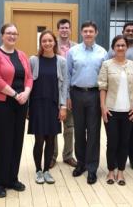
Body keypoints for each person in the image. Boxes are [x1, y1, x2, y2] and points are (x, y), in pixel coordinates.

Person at [0, 23, 33, 198]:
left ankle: (12, 178)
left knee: (16, 141)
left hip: (20, 103)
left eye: (14, 33)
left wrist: (26, 93)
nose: (12, 36)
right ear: (2, 35)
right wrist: (15, 94)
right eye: (8, 33)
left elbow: (29, 77)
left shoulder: (22, 55)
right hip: (0, 103)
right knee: (1, 143)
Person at [67, 21, 107, 185]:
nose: (88, 34)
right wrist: (67, 97)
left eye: (91, 31)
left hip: (94, 95)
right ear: (81, 33)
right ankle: (81, 164)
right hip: (76, 94)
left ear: (96, 33)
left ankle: (92, 168)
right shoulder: (72, 52)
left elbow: (105, 78)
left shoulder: (102, 53)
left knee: (93, 132)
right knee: (78, 131)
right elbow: (68, 75)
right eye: (85, 31)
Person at [98, 35, 133, 186]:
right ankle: (110, 171)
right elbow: (102, 87)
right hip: (111, 111)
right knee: (112, 142)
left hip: (128, 111)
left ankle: (121, 172)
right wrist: (103, 107)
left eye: (123, 45)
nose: (120, 48)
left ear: (127, 47)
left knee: (124, 142)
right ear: (113, 48)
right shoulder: (107, 65)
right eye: (118, 45)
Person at [28, 30, 68, 184]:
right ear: (41, 43)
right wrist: (28, 108)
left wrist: (63, 106)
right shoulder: (33, 60)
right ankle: (38, 170)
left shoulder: (61, 61)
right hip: (37, 105)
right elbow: (28, 84)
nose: (47, 43)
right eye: (44, 41)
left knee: (51, 139)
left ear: (54, 43)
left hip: (53, 105)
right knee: (39, 140)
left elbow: (64, 85)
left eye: (50, 41)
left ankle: (47, 171)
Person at [106, 22, 133, 170]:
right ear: (123, 31)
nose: (131, 32)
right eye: (128, 30)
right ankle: (114, 160)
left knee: (131, 132)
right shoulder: (111, 53)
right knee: (114, 136)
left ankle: (132, 157)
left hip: (131, 99)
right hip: (115, 100)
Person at [50, 19, 77, 169]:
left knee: (69, 126)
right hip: (54, 90)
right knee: (54, 126)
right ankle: (52, 156)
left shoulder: (77, 47)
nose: (64, 30)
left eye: (67, 27)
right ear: (58, 30)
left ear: (70, 29)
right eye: (62, 28)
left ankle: (68, 156)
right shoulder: (51, 45)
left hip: (71, 91)